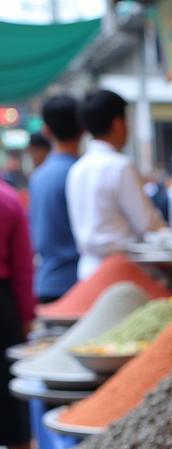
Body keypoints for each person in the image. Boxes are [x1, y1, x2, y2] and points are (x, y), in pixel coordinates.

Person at [66, 89, 165, 279]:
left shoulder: (77, 169)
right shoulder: (120, 166)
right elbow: (147, 225)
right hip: (119, 271)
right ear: (118, 124)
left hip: (87, 271)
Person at [0, 179, 36, 449]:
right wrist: (26, 319)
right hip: (3, 313)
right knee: (14, 427)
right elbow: (24, 269)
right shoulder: (8, 200)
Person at [28, 95, 82, 303]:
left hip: (46, 282)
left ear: (46, 130)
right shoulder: (78, 172)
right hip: (77, 286)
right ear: (83, 127)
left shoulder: (38, 177)